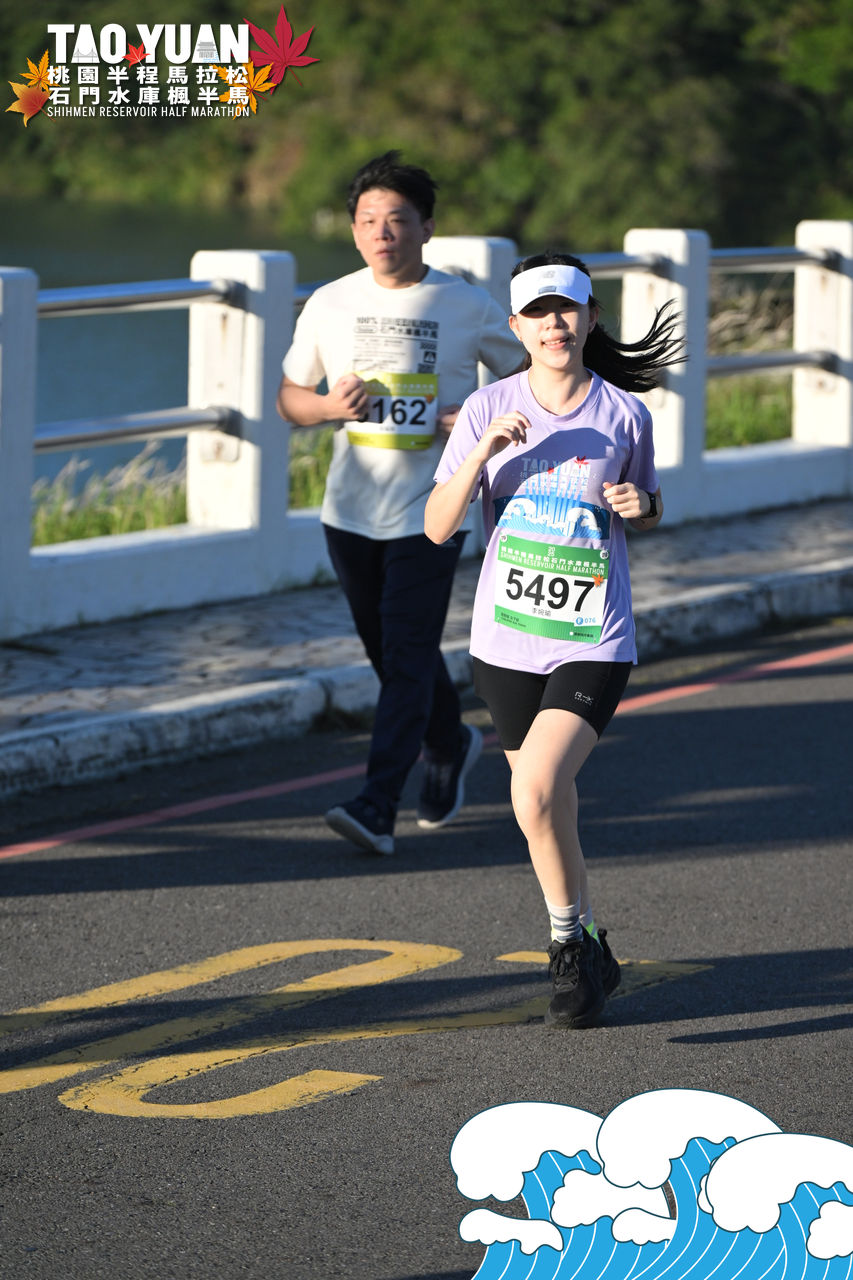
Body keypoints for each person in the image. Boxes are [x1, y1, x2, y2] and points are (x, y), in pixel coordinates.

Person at [425, 251, 683, 1028]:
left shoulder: (623, 414)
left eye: (566, 309)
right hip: (505, 642)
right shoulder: (487, 408)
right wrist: (481, 453)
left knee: (534, 791)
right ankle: (592, 942)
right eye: (537, 313)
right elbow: (436, 527)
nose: (553, 325)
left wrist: (641, 506)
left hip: (592, 637)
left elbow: (649, 504)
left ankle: (566, 944)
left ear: (590, 317)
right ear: (516, 327)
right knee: (548, 805)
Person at [278, 152, 522, 856]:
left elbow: (530, 382)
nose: (381, 233)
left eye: (397, 220)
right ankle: (448, 741)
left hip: (433, 507)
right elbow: (289, 397)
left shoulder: (465, 304)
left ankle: (376, 805)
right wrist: (327, 407)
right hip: (349, 511)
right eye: (368, 221)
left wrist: (472, 419)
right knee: (390, 654)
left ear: (426, 228)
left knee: (408, 651)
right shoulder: (330, 302)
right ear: (354, 231)